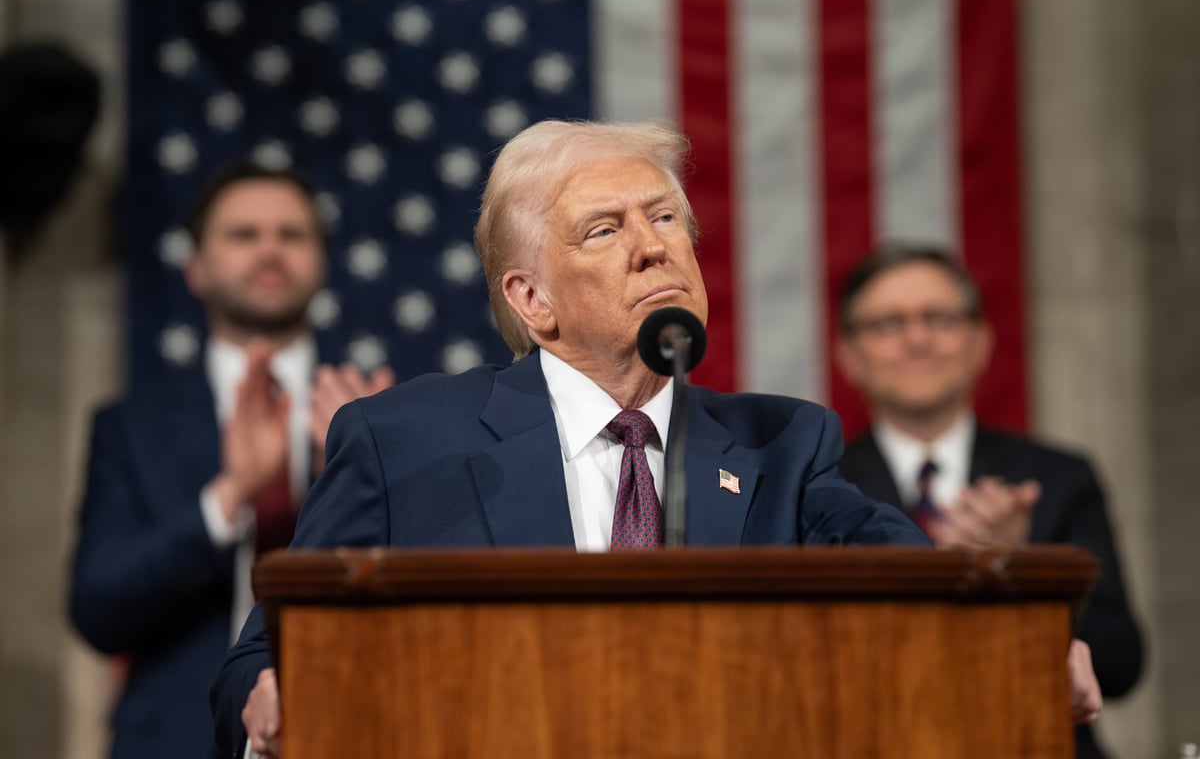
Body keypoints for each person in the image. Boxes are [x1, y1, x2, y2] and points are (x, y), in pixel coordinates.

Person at [209, 122, 1098, 758]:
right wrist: (276, 695)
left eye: (666, 219)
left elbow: (897, 566)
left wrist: (1009, 636)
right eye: (606, 230)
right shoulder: (405, 439)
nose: (652, 247)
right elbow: (263, 652)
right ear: (531, 300)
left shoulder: (782, 444)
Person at [68, 162, 394, 759]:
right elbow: (97, 610)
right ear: (195, 268)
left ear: (321, 262)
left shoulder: (379, 409)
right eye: (244, 235)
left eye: (292, 235)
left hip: (357, 727)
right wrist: (231, 494)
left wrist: (362, 470)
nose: (270, 251)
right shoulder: (130, 428)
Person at [834, 244, 1143, 759]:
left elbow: (1121, 662)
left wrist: (1019, 572)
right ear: (848, 355)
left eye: (940, 318)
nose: (918, 340)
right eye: (889, 324)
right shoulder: (820, 483)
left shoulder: (1059, 478)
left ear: (981, 343)